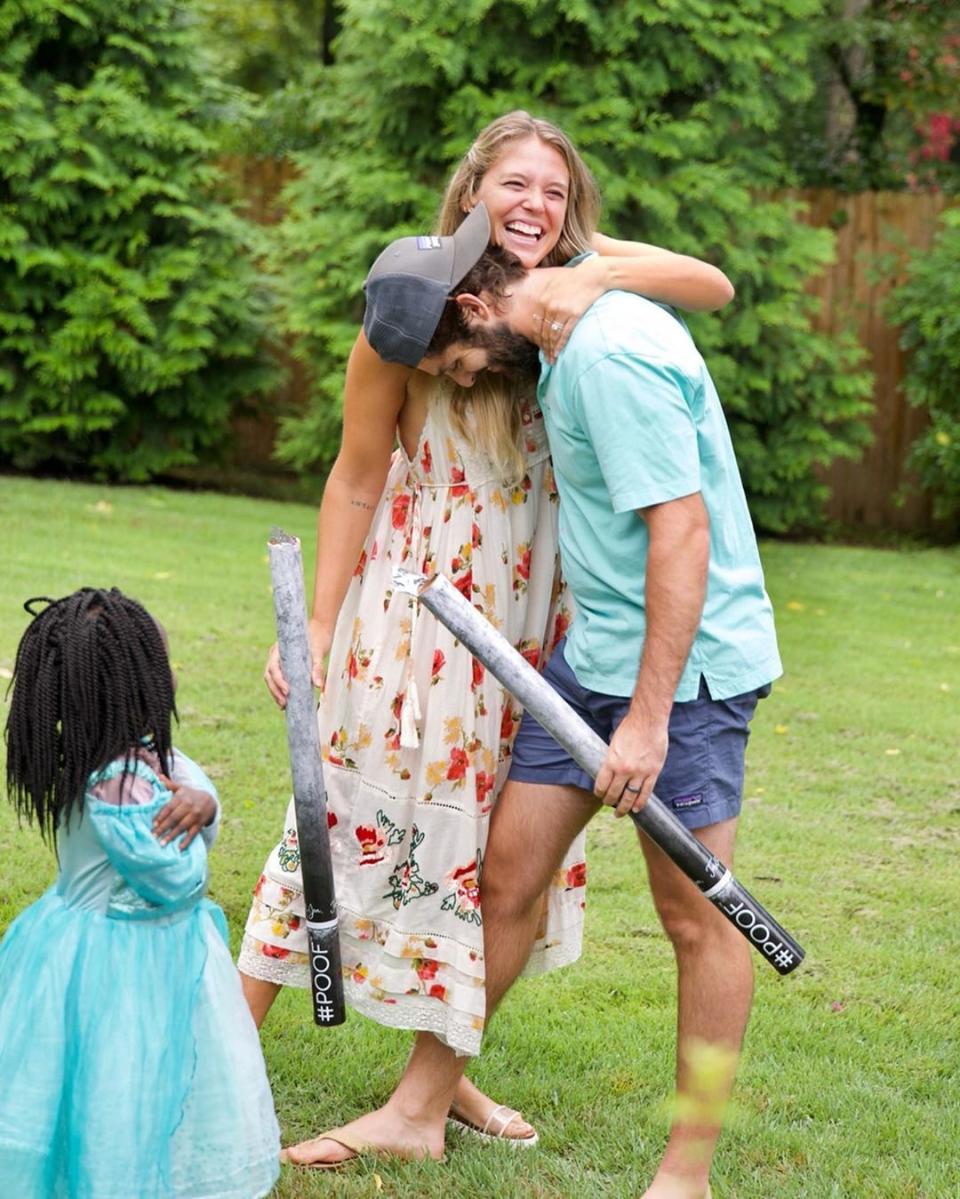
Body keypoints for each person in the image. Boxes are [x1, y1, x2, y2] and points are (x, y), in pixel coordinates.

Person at [240, 110, 736, 1159]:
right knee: (335, 830)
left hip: (537, 623)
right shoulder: (412, 315)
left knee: (488, 858)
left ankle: (439, 1084)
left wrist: (593, 275)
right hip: (418, 620)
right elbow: (354, 476)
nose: (536, 208)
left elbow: (712, 283)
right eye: (515, 185)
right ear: (472, 196)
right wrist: (315, 625)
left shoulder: (577, 296)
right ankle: (219, 1060)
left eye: (555, 192)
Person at [313, 238, 782, 1197]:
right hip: (594, 657)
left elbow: (681, 532)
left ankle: (685, 1172)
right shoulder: (564, 339)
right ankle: (416, 1112)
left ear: (479, 313)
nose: (462, 380)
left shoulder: (608, 357)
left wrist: (647, 722)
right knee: (509, 879)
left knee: (695, 921)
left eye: (454, 365)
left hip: (683, 677)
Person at [0, 588, 280, 1199]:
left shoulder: (88, 757)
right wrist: (199, 817)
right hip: (126, 959)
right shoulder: (118, 785)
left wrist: (205, 807)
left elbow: (192, 784)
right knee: (124, 1077)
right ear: (137, 685)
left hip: (72, 941)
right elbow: (176, 883)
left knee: (74, 1076)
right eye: (161, 664)